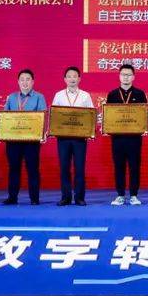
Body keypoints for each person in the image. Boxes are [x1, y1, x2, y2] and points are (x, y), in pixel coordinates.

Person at [1, 69, 47, 206]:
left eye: (28, 79)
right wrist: (0, 131)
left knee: (32, 169)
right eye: (22, 79)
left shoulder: (39, 97)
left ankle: (34, 198)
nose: (25, 82)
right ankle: (12, 197)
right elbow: (5, 117)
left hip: (31, 140)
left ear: (33, 82)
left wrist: (41, 133)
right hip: (13, 140)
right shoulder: (11, 97)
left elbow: (43, 117)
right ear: (18, 82)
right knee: (13, 168)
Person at [105, 63, 148, 206]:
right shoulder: (112, 94)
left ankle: (134, 195)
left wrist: (143, 126)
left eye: (129, 75)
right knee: (119, 166)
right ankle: (120, 195)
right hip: (117, 138)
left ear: (133, 77)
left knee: (134, 166)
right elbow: (109, 116)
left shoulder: (140, 94)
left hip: (134, 138)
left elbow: (143, 115)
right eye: (123, 74)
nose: (126, 77)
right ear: (119, 76)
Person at [51, 66, 92, 206]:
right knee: (64, 167)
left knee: (79, 168)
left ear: (79, 79)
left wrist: (89, 131)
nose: (72, 79)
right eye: (69, 76)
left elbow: (90, 115)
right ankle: (66, 197)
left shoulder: (85, 96)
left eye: (75, 76)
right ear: (65, 79)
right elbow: (54, 115)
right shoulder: (59, 95)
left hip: (80, 138)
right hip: (63, 138)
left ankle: (79, 197)